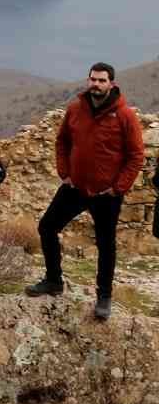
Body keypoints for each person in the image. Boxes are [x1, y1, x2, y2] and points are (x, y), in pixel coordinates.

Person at [27, 63, 144, 320]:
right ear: (87, 80)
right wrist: (64, 172)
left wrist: (119, 187)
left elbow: (136, 156)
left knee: (106, 245)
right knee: (47, 227)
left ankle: (104, 296)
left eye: (102, 81)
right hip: (75, 187)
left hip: (107, 194)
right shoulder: (75, 109)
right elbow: (62, 141)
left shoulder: (124, 115)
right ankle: (54, 280)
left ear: (111, 84)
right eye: (93, 79)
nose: (96, 84)